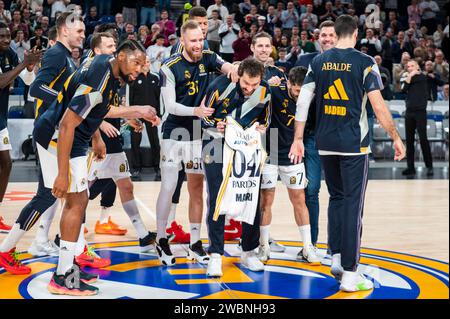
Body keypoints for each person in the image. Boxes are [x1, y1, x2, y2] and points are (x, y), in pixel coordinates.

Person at [290, 15, 405, 292]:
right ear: (355, 34)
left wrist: (297, 139)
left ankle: (337, 259)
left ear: (336, 33)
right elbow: (378, 107)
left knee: (337, 198)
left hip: (325, 142)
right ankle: (351, 274)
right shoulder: (366, 63)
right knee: (353, 205)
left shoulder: (317, 62)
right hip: (354, 144)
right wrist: (396, 137)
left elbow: (303, 102)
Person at [43, 39, 158, 296]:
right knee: (75, 202)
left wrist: (135, 111)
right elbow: (66, 124)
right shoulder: (100, 76)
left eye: (142, 65)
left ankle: (68, 266)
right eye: (136, 63)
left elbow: (99, 108)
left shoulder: (105, 69)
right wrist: (63, 173)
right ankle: (62, 276)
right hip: (60, 137)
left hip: (74, 138)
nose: (140, 69)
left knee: (79, 200)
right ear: (119, 56)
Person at [155, 20, 238, 266]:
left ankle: (194, 242)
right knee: (169, 186)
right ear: (182, 41)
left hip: (199, 132)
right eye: (193, 41)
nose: (198, 44)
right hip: (174, 132)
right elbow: (170, 106)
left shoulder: (209, 56)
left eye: (200, 39)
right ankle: (161, 239)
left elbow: (227, 67)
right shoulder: (168, 67)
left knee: (196, 188)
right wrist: (197, 111)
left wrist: (234, 70)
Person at [0, 12, 81, 263]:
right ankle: (8, 250)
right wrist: (63, 101)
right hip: (49, 131)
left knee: (60, 192)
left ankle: (44, 243)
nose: (82, 34)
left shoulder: (66, 57)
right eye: (78, 30)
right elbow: (36, 89)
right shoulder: (57, 54)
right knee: (50, 193)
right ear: (63, 31)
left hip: (55, 130)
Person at [86, 34, 158, 249]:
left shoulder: (115, 76)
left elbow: (110, 107)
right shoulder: (96, 71)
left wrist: (130, 119)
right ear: (98, 50)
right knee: (84, 192)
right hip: (99, 139)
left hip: (114, 140)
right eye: (109, 46)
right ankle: (70, 233)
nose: (113, 49)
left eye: (114, 45)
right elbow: (85, 108)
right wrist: (99, 126)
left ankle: (143, 234)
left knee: (125, 185)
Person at [202, 58, 271, 277]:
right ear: (237, 74)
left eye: (254, 85)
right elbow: (203, 116)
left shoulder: (265, 90)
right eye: (245, 85)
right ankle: (215, 254)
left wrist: (262, 126)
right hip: (215, 143)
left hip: (247, 147)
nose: (250, 89)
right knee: (217, 197)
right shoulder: (219, 86)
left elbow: (266, 119)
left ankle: (248, 251)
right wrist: (216, 124)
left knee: (251, 194)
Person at [259, 66, 321, 264]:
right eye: (296, 91)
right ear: (289, 84)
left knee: (299, 200)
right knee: (266, 201)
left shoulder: (311, 96)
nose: (299, 96)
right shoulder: (273, 91)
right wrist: (265, 85)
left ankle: (307, 247)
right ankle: (263, 246)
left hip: (293, 153)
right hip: (269, 153)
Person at [293, 20, 336, 250]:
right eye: (324, 35)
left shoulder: (348, 62)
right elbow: (296, 97)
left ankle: (337, 244)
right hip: (311, 135)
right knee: (311, 190)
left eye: (331, 35)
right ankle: (312, 243)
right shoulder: (305, 61)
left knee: (339, 192)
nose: (327, 39)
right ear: (318, 38)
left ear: (338, 37)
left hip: (338, 135)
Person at [0, 22, 41, 233]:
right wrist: (23, 65)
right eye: (2, 37)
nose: (6, 40)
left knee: (6, 165)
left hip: (1, 121)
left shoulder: (9, 55)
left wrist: (30, 68)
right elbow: (1, 81)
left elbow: (26, 80)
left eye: (8, 36)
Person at [129, 55, 161, 180]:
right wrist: (130, 115)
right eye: (144, 62)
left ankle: (157, 167)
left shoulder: (155, 78)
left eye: (148, 62)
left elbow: (159, 98)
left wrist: (158, 114)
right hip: (137, 114)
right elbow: (130, 97)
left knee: (155, 141)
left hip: (151, 114)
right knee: (135, 141)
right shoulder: (134, 79)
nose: (146, 64)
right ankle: (136, 168)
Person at [400, 60, 434, 177]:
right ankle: (410, 167)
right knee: (409, 141)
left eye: (412, 66)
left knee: (423, 139)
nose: (410, 68)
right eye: (408, 66)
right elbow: (403, 90)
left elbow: (432, 80)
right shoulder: (407, 78)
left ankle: (429, 166)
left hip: (420, 112)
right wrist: (409, 75)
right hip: (409, 112)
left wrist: (413, 74)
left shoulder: (423, 77)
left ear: (417, 67)